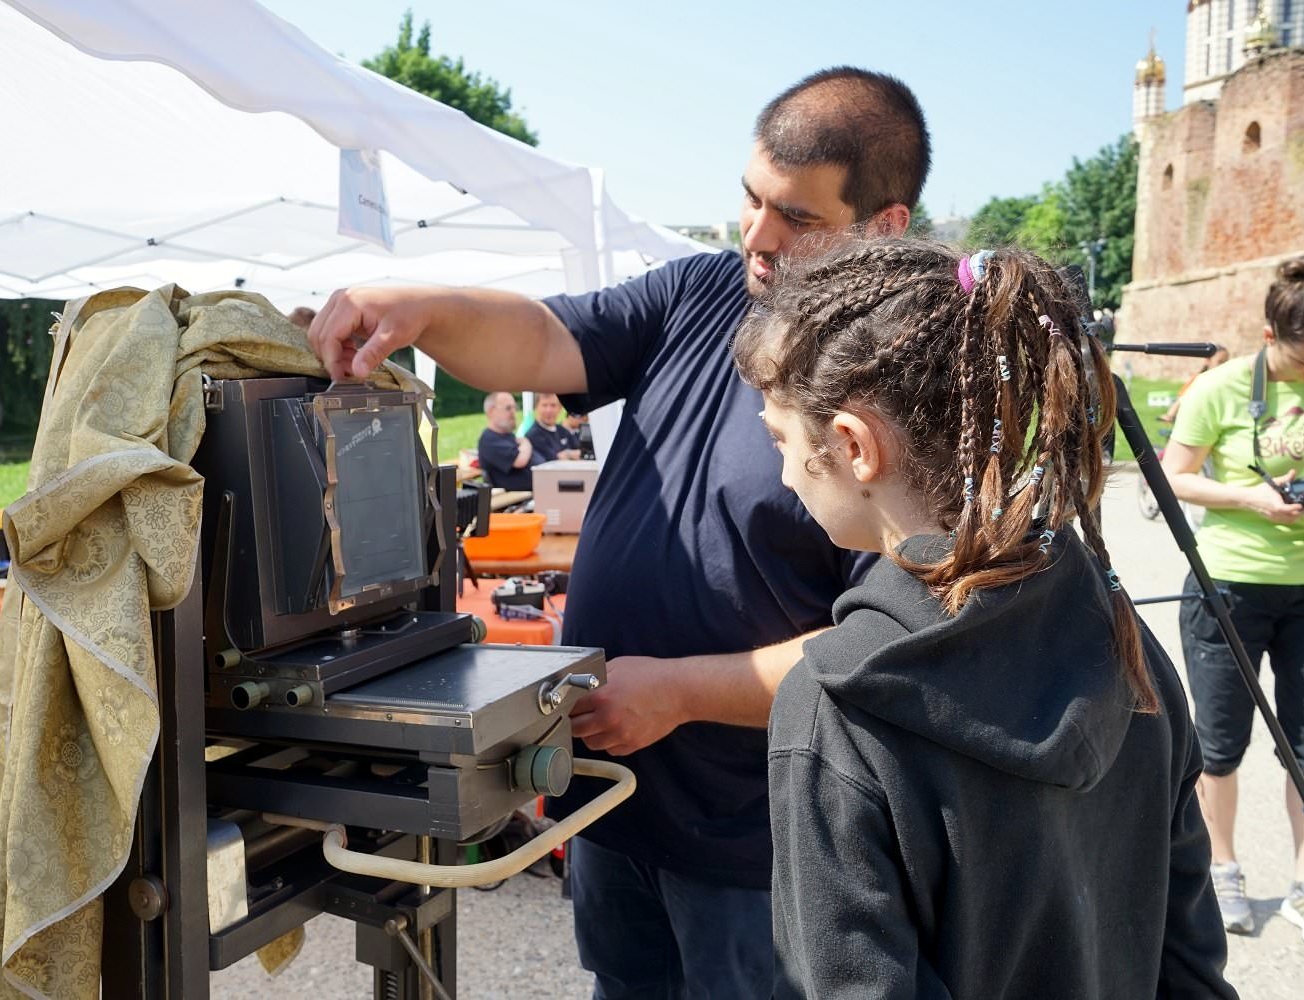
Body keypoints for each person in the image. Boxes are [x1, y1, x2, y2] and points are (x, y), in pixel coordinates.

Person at [308, 66, 929, 997]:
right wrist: (427, 309)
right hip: (613, 802)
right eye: (751, 200)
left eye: (797, 219)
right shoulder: (702, 294)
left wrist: (679, 691)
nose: (758, 239)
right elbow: (542, 338)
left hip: (756, 844)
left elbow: (889, 645)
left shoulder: (902, 382)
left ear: (886, 226)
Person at [736, 240, 1235, 997]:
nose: (779, 472)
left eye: (781, 440)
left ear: (853, 445)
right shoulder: (1123, 642)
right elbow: (1192, 962)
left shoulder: (834, 712)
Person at [1162, 256, 1304, 941]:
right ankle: (1223, 872)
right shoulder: (1219, 388)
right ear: (1268, 334)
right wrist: (1251, 497)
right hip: (1229, 586)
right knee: (1219, 745)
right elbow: (1176, 477)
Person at [477, 390, 542, 490]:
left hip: (538, 489)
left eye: (514, 407)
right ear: (491, 412)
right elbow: (520, 461)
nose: (513, 412)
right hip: (518, 498)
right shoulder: (489, 439)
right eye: (508, 408)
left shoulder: (507, 435)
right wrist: (526, 443)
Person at [1161, 346, 1231, 424]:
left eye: (1226, 362)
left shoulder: (1228, 380)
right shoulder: (1199, 379)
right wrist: (1170, 415)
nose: (1223, 366)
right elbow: (1182, 398)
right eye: (1220, 362)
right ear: (1207, 361)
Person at [527, 393, 583, 462]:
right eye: (544, 405)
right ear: (536, 407)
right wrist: (570, 454)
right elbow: (553, 460)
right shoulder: (533, 435)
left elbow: (582, 452)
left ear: (560, 408)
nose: (549, 410)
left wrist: (567, 454)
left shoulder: (563, 431)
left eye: (553, 405)